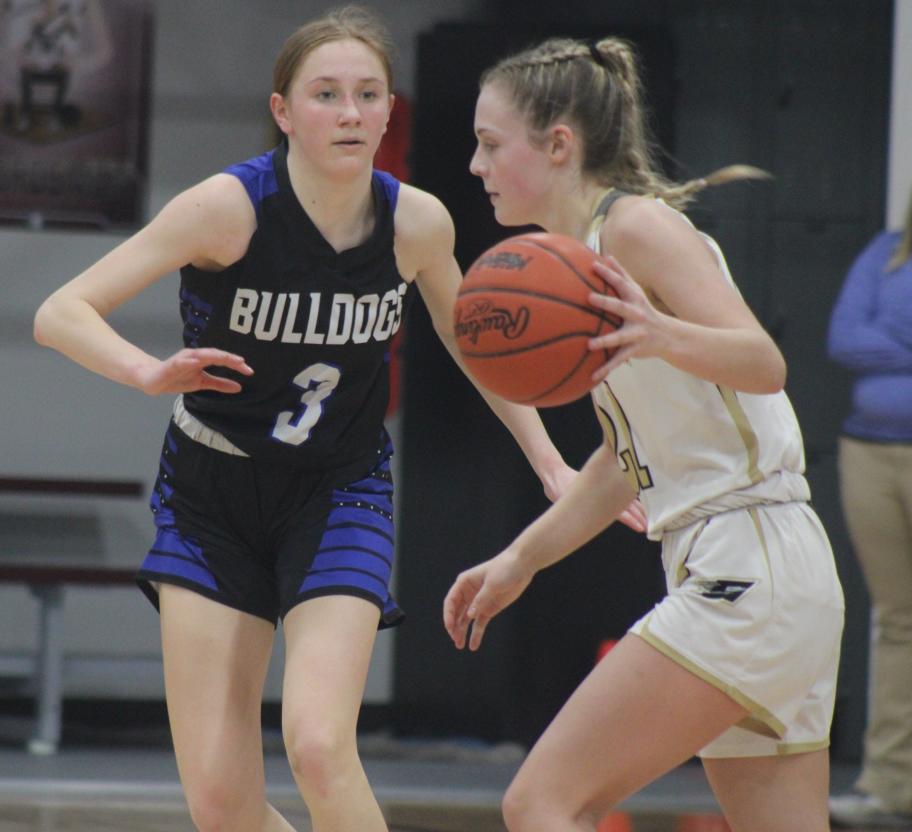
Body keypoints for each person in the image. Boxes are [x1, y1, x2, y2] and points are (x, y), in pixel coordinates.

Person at [32, 8, 646, 831]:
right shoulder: (227, 209)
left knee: (320, 747)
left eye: (368, 94)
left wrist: (548, 463)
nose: (351, 112)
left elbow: (481, 348)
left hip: (338, 489)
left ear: (391, 110)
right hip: (211, 495)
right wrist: (146, 371)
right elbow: (60, 311)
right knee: (221, 805)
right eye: (326, 94)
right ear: (284, 111)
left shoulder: (417, 222)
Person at [443, 35, 845, 832]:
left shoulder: (636, 231)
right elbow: (624, 463)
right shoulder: (585, 260)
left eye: (491, 144)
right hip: (768, 570)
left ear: (559, 145)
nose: (474, 165)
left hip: (747, 565)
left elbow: (764, 361)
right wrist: (521, 559)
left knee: (541, 802)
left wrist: (657, 332)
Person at [826, 115, 912, 832]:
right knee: (899, 624)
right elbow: (843, 336)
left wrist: (899, 332)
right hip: (869, 454)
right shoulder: (886, 250)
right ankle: (891, 789)